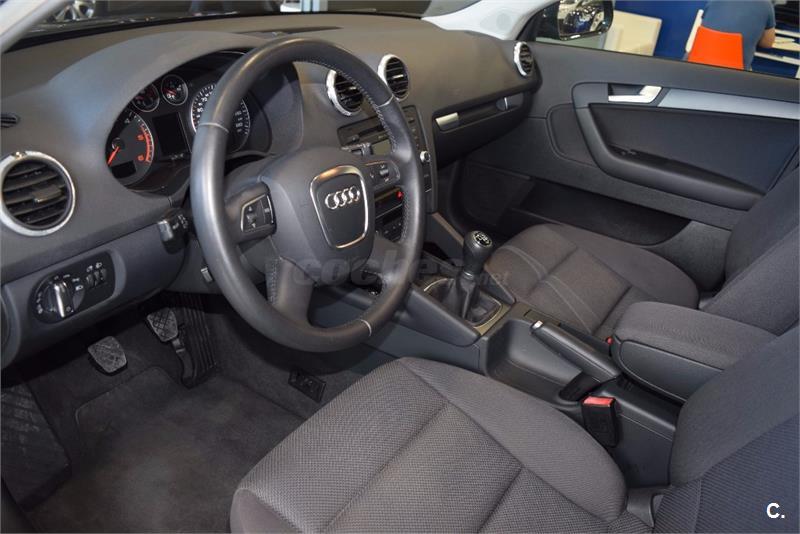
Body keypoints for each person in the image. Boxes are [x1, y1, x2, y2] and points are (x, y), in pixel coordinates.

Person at [700, 0, 776, 69]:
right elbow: (767, 43)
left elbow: (703, 27)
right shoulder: (766, 4)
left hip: (699, 65)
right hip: (735, 72)